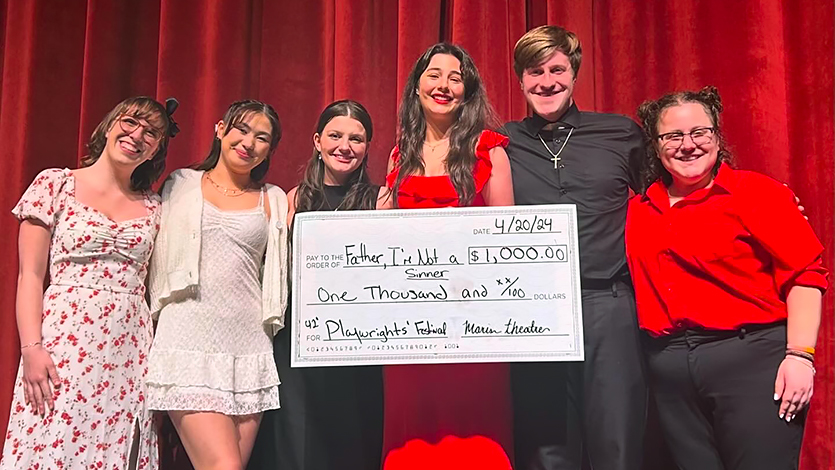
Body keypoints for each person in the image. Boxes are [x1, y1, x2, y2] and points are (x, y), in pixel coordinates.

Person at [627, 86, 827, 470]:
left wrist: (800, 356)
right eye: (673, 136)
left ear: (717, 136)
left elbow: (805, 274)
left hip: (750, 361)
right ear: (655, 145)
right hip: (668, 372)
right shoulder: (638, 209)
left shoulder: (757, 193)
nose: (688, 145)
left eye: (700, 132)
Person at [1, 96, 174, 469]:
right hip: (64, 340)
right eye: (131, 122)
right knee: (50, 439)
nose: (137, 135)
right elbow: (29, 275)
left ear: (156, 149)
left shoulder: (155, 206)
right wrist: (31, 347)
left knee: (116, 447)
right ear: (110, 124)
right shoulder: (55, 184)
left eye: (151, 133)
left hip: (130, 349)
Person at [502, 26, 648, 470]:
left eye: (556, 69)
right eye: (535, 72)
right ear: (521, 80)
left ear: (574, 73)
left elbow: (674, 200)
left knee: (616, 440)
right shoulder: (500, 143)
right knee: (546, 447)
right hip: (534, 309)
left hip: (608, 301)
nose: (546, 81)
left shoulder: (621, 133)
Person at [382, 42, 515, 469]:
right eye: (433, 75)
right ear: (416, 87)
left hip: (472, 328)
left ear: (467, 91)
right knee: (412, 437)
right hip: (408, 330)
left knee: (476, 435)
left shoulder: (489, 150)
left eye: (455, 77)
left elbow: (506, 240)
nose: (443, 85)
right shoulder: (399, 154)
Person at [146, 100, 289, 470]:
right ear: (220, 128)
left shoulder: (272, 197)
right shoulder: (180, 183)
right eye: (242, 130)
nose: (249, 143)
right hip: (188, 339)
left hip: (248, 347)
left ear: (270, 150)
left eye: (262, 138)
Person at [249, 99, 387, 470]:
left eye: (356, 138)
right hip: (298, 345)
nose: (345, 146)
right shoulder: (292, 200)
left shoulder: (382, 200)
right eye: (335, 136)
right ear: (317, 141)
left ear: (367, 146)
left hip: (358, 345)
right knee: (297, 444)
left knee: (351, 441)